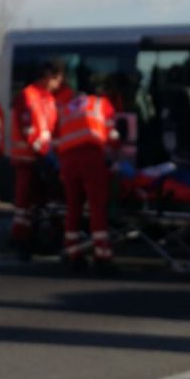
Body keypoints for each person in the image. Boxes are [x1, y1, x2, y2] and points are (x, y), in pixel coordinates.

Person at [55, 84, 118, 273]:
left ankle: (73, 252)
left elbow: (57, 138)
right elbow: (112, 134)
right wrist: (116, 152)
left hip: (67, 160)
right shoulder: (102, 104)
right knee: (96, 206)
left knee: (73, 206)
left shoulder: (66, 108)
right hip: (91, 156)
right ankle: (102, 254)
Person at [9, 60, 67, 258]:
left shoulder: (48, 99)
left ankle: (37, 239)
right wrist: (46, 153)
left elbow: (51, 129)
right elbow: (30, 131)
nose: (60, 84)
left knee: (43, 203)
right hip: (27, 160)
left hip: (41, 158)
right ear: (49, 77)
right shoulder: (27, 96)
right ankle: (20, 240)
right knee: (24, 204)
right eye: (58, 79)